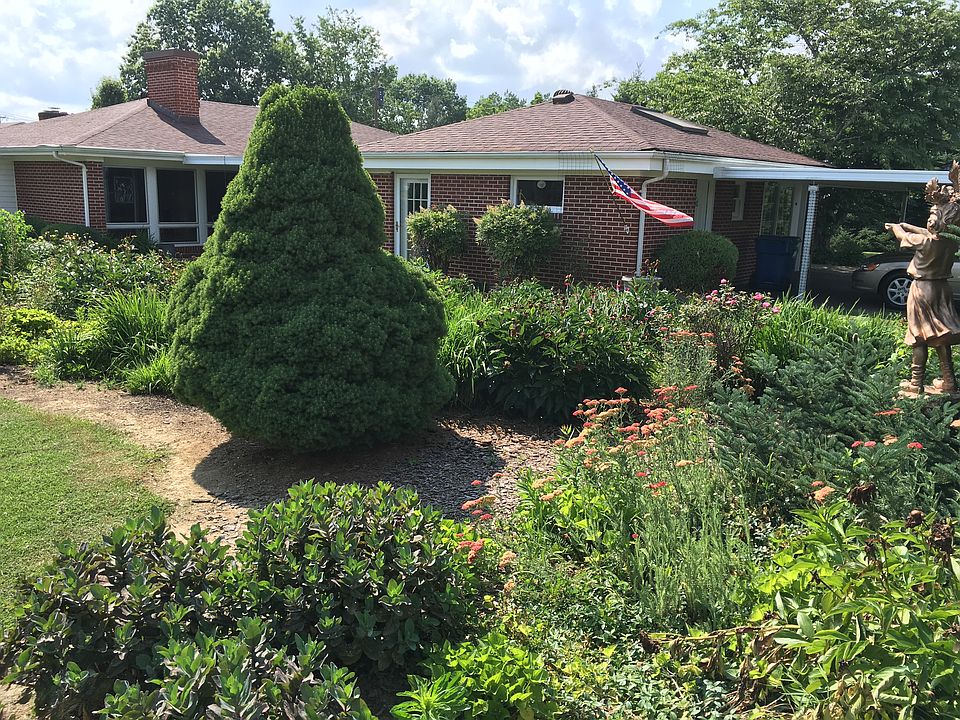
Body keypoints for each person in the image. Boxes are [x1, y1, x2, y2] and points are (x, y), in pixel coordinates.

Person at [885, 166, 960, 394]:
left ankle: (915, 383)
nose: (929, 221)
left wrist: (898, 227)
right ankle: (949, 382)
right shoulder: (951, 240)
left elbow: (905, 237)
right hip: (942, 288)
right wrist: (908, 224)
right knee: (941, 336)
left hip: (922, 289)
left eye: (931, 217)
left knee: (919, 336)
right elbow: (924, 233)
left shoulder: (925, 243)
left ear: (938, 221)